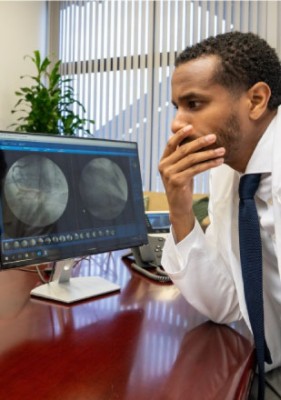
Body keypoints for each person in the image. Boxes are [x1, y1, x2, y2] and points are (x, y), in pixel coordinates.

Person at [159, 30, 281, 373]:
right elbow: (226, 304)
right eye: (177, 107)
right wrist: (180, 209)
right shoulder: (227, 172)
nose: (176, 123)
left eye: (193, 104)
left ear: (256, 100)